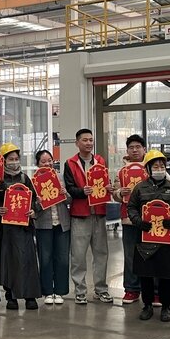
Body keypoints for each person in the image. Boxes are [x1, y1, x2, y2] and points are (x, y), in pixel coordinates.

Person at [126, 150, 170, 322]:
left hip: (166, 239)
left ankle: (166, 306)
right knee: (145, 273)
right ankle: (147, 305)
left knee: (166, 274)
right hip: (145, 238)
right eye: (155, 166)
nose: (159, 169)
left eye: (162, 166)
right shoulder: (139, 188)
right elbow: (131, 207)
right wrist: (138, 221)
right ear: (148, 168)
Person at [0, 143, 42, 310]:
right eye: (10, 159)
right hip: (6, 228)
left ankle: (30, 296)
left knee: (27, 260)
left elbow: (36, 200)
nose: (14, 162)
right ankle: (10, 296)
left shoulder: (25, 178)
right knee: (8, 261)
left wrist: (33, 211)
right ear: (4, 161)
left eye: (16, 158)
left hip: (24, 227)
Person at [64, 129, 113, 304]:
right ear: (77, 143)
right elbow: (69, 188)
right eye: (85, 140)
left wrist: (108, 188)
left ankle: (101, 289)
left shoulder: (100, 161)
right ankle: (80, 290)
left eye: (91, 140)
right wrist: (81, 192)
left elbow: (104, 182)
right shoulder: (70, 163)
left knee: (101, 253)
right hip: (80, 214)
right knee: (78, 256)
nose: (89, 143)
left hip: (99, 213)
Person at [112, 134, 148, 305]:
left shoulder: (153, 167)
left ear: (144, 149)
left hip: (150, 219)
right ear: (127, 150)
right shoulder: (121, 171)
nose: (134, 150)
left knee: (151, 254)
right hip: (129, 219)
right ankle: (131, 289)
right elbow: (115, 194)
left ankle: (154, 291)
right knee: (130, 255)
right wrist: (120, 193)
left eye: (138, 147)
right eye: (131, 147)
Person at [33, 149, 70, 305]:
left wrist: (65, 193)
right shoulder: (33, 180)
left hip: (62, 224)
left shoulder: (60, 177)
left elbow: (70, 201)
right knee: (45, 258)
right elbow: (32, 207)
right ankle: (47, 291)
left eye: (50, 160)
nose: (47, 164)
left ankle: (60, 291)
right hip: (43, 224)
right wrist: (38, 202)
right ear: (37, 164)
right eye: (43, 161)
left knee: (62, 258)